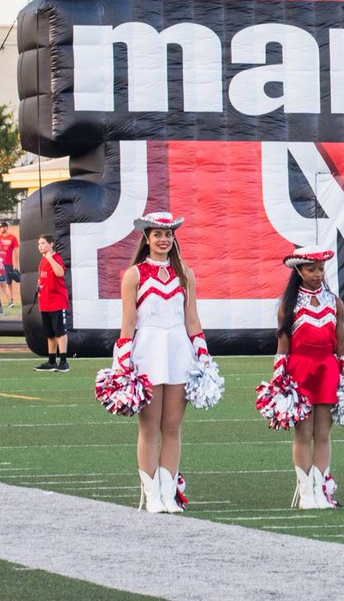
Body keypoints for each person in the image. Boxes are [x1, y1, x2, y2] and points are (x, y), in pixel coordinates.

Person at [119, 211, 207, 514]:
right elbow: (129, 321)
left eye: (168, 234)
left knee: (172, 426)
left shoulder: (185, 272)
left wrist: (203, 353)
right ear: (147, 238)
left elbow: (192, 317)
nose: (164, 239)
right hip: (147, 351)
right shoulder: (135, 274)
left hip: (179, 349)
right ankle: (151, 493)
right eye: (157, 234)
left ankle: (169, 494)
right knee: (149, 427)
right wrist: (122, 360)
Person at [276, 247, 344, 509]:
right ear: (298, 271)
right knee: (303, 433)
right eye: (311, 269)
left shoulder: (334, 302)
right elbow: (283, 347)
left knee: (323, 433)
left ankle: (321, 490)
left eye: (320, 268)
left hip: (327, 370)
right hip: (300, 371)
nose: (318, 274)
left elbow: (341, 345)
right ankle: (305, 491)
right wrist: (279, 380)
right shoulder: (289, 304)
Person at [34, 235, 70, 372]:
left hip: (57, 301)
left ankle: (64, 361)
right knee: (49, 333)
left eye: (43, 243)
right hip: (45, 301)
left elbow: (60, 273)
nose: (40, 246)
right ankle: (51, 361)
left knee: (60, 331)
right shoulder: (43, 260)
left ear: (51, 244)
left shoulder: (55, 258)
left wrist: (50, 258)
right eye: (39, 244)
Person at [0, 222, 20, 306]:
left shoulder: (12, 238)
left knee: (9, 282)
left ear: (6, 227)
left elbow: (16, 251)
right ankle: (5, 300)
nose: (0, 229)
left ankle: (11, 299)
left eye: (1, 227)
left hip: (8, 263)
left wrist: (16, 263)